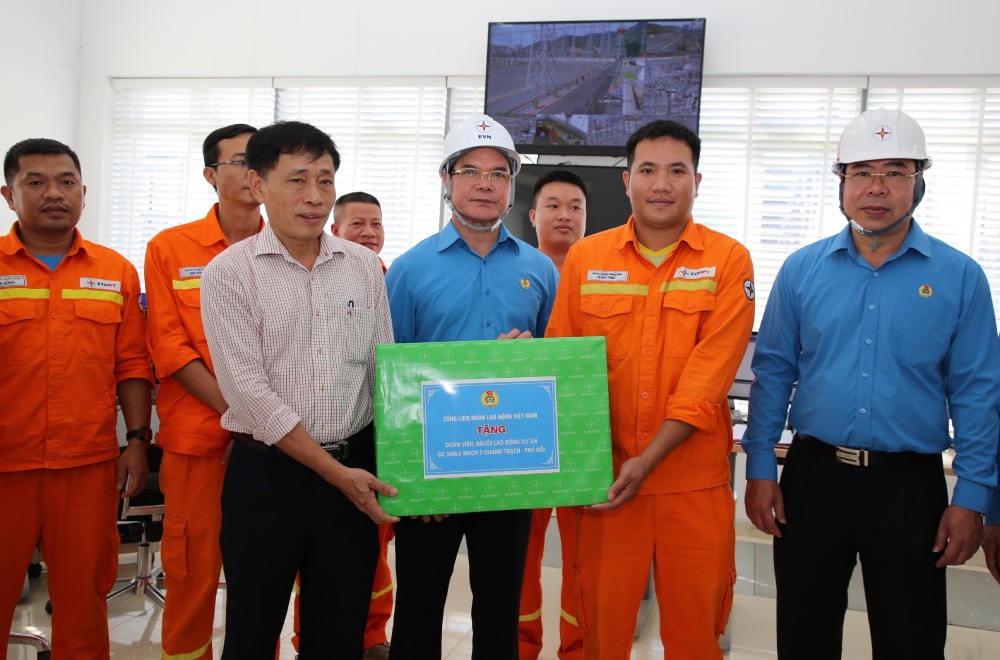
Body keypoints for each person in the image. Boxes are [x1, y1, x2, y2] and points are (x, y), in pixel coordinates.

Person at [742, 108, 1000, 658]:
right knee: (804, 637)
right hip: (812, 481)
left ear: (919, 182)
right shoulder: (802, 270)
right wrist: (760, 465)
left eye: (895, 171)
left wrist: (974, 496)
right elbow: (773, 374)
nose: (876, 187)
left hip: (911, 490)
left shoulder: (959, 277)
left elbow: (978, 394)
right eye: (861, 172)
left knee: (912, 638)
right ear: (841, 182)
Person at [544, 119, 755, 658]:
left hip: (693, 483)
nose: (662, 183)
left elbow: (708, 377)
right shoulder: (588, 259)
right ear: (627, 181)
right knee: (602, 630)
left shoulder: (728, 261)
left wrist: (649, 458)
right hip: (608, 480)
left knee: (695, 634)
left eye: (676, 170)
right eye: (648, 169)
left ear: (697, 181)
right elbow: (562, 365)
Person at [200, 120, 398, 658]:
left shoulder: (363, 267)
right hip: (268, 479)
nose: (314, 197)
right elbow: (247, 393)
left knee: (338, 634)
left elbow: (384, 371)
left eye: (326, 180)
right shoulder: (228, 273)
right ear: (258, 185)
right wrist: (338, 475)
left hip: (352, 478)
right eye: (297, 180)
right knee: (251, 631)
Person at [385, 114, 559, 659]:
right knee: (417, 607)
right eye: (469, 170)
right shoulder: (409, 271)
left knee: (500, 609)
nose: (485, 183)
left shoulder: (541, 271)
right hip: (431, 474)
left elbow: (557, 367)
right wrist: (409, 478)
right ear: (446, 180)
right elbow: (389, 380)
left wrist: (532, 359)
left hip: (510, 468)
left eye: (498, 173)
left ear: (512, 187)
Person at [0, 138, 153, 658]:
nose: (53, 193)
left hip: (87, 468)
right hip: (5, 465)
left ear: (83, 193)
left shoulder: (115, 272)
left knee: (84, 605)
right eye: (35, 182)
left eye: (66, 182)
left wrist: (136, 440)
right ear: (9, 194)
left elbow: (132, 364)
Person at [144, 123, 264, 659]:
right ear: (211, 174)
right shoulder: (171, 248)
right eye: (239, 160)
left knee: (265, 576)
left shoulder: (293, 243)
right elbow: (170, 348)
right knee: (192, 573)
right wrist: (241, 414)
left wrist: (266, 423)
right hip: (199, 440)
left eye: (259, 159)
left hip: (278, 445)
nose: (250, 170)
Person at [520, 169, 587, 660]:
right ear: (533, 215)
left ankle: (579, 648)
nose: (564, 215)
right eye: (553, 205)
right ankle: (520, 646)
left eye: (575, 207)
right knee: (521, 553)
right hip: (524, 438)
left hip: (585, 435)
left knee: (585, 558)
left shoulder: (604, 272)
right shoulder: (514, 270)